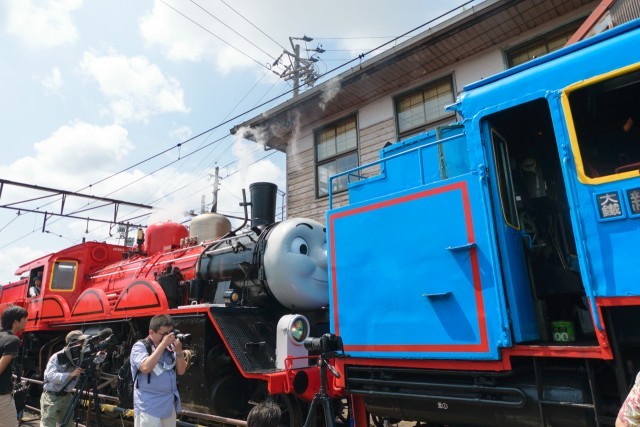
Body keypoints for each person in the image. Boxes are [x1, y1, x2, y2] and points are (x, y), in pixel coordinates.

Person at [131, 314, 186, 427]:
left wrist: (179, 352)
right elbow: (145, 368)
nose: (168, 337)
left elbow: (181, 371)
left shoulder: (170, 348)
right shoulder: (140, 347)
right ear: (151, 333)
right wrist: (163, 344)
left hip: (168, 407)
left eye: (170, 333)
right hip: (149, 408)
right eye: (165, 334)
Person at [40, 330, 88, 427]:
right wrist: (70, 374)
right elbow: (50, 376)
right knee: (48, 424)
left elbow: (95, 361)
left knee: (69, 424)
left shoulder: (80, 356)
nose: (83, 344)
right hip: (51, 396)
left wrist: (102, 354)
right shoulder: (56, 357)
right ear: (72, 343)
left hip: (66, 397)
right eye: (81, 342)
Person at [0, 305, 28, 427]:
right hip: (2, 395)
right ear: (16, 321)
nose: (26, 321)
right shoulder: (12, 340)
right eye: (25, 318)